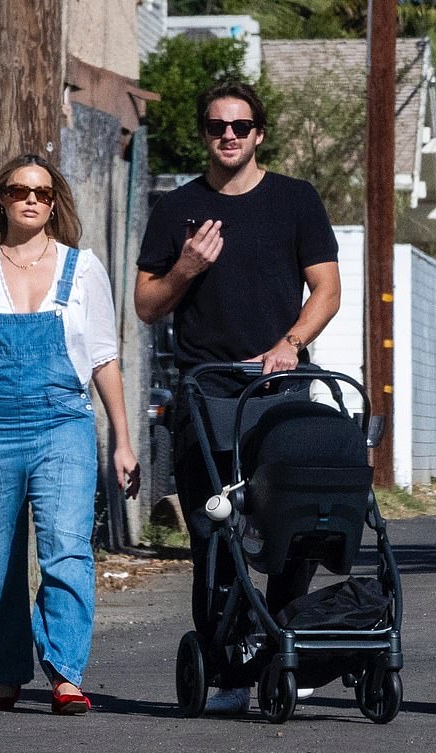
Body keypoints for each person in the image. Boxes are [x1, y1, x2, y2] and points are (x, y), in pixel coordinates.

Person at [134, 81, 340, 714]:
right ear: (205, 134)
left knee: (293, 525)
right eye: (217, 126)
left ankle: (280, 645)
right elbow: (146, 305)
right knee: (215, 534)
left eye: (241, 126)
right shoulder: (177, 209)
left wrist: (292, 343)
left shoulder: (295, 200)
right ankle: (228, 668)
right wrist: (186, 270)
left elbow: (327, 289)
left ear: (260, 134)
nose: (229, 135)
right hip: (207, 392)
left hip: (281, 387)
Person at [0, 153, 140, 715]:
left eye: (43, 193)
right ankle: (3, 674)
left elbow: (102, 358)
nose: (32, 200)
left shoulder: (82, 268)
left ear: (54, 202)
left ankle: (66, 673)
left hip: (62, 423)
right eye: (21, 190)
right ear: (3, 199)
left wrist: (122, 438)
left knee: (66, 548)